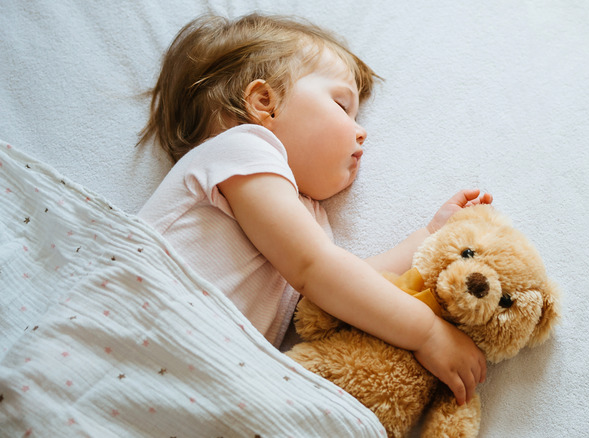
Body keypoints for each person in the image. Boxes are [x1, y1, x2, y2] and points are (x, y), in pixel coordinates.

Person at [137, 12, 492, 406]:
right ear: (263, 103)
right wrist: (426, 332)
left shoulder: (307, 220)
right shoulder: (241, 151)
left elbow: (338, 292)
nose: (362, 131)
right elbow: (317, 271)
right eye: (342, 106)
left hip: (194, 384)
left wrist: (427, 239)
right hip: (143, 333)